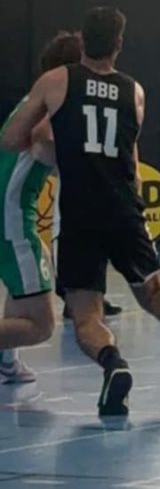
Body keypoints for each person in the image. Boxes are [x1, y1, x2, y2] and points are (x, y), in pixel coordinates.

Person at [0, 6, 160, 416]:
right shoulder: (135, 91)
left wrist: (63, 147)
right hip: (125, 207)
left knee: (83, 317)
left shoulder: (56, 87)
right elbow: (131, 155)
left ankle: (113, 363)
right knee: (155, 294)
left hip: (80, 212)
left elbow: (18, 138)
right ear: (119, 44)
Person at [0, 32, 80, 386]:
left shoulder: (30, 102)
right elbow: (44, 138)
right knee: (41, 325)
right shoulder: (53, 107)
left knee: (32, 277)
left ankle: (6, 361)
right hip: (11, 217)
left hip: (9, 213)